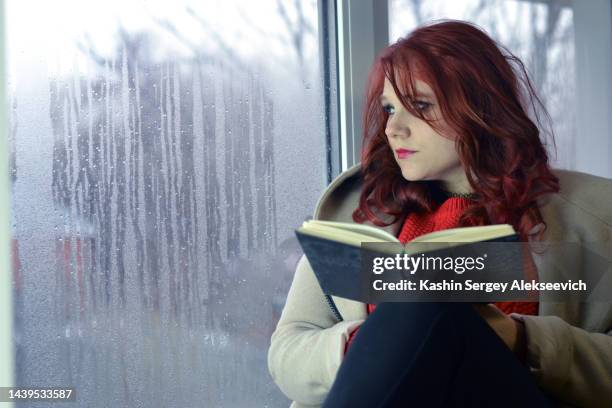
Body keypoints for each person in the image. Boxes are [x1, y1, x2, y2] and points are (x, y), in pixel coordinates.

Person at [268, 20, 612, 408]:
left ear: (479, 107)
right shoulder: (357, 214)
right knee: (421, 295)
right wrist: (365, 344)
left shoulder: (593, 218)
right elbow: (287, 352)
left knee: (431, 294)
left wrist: (521, 339)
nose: (393, 129)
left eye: (420, 105)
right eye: (389, 108)